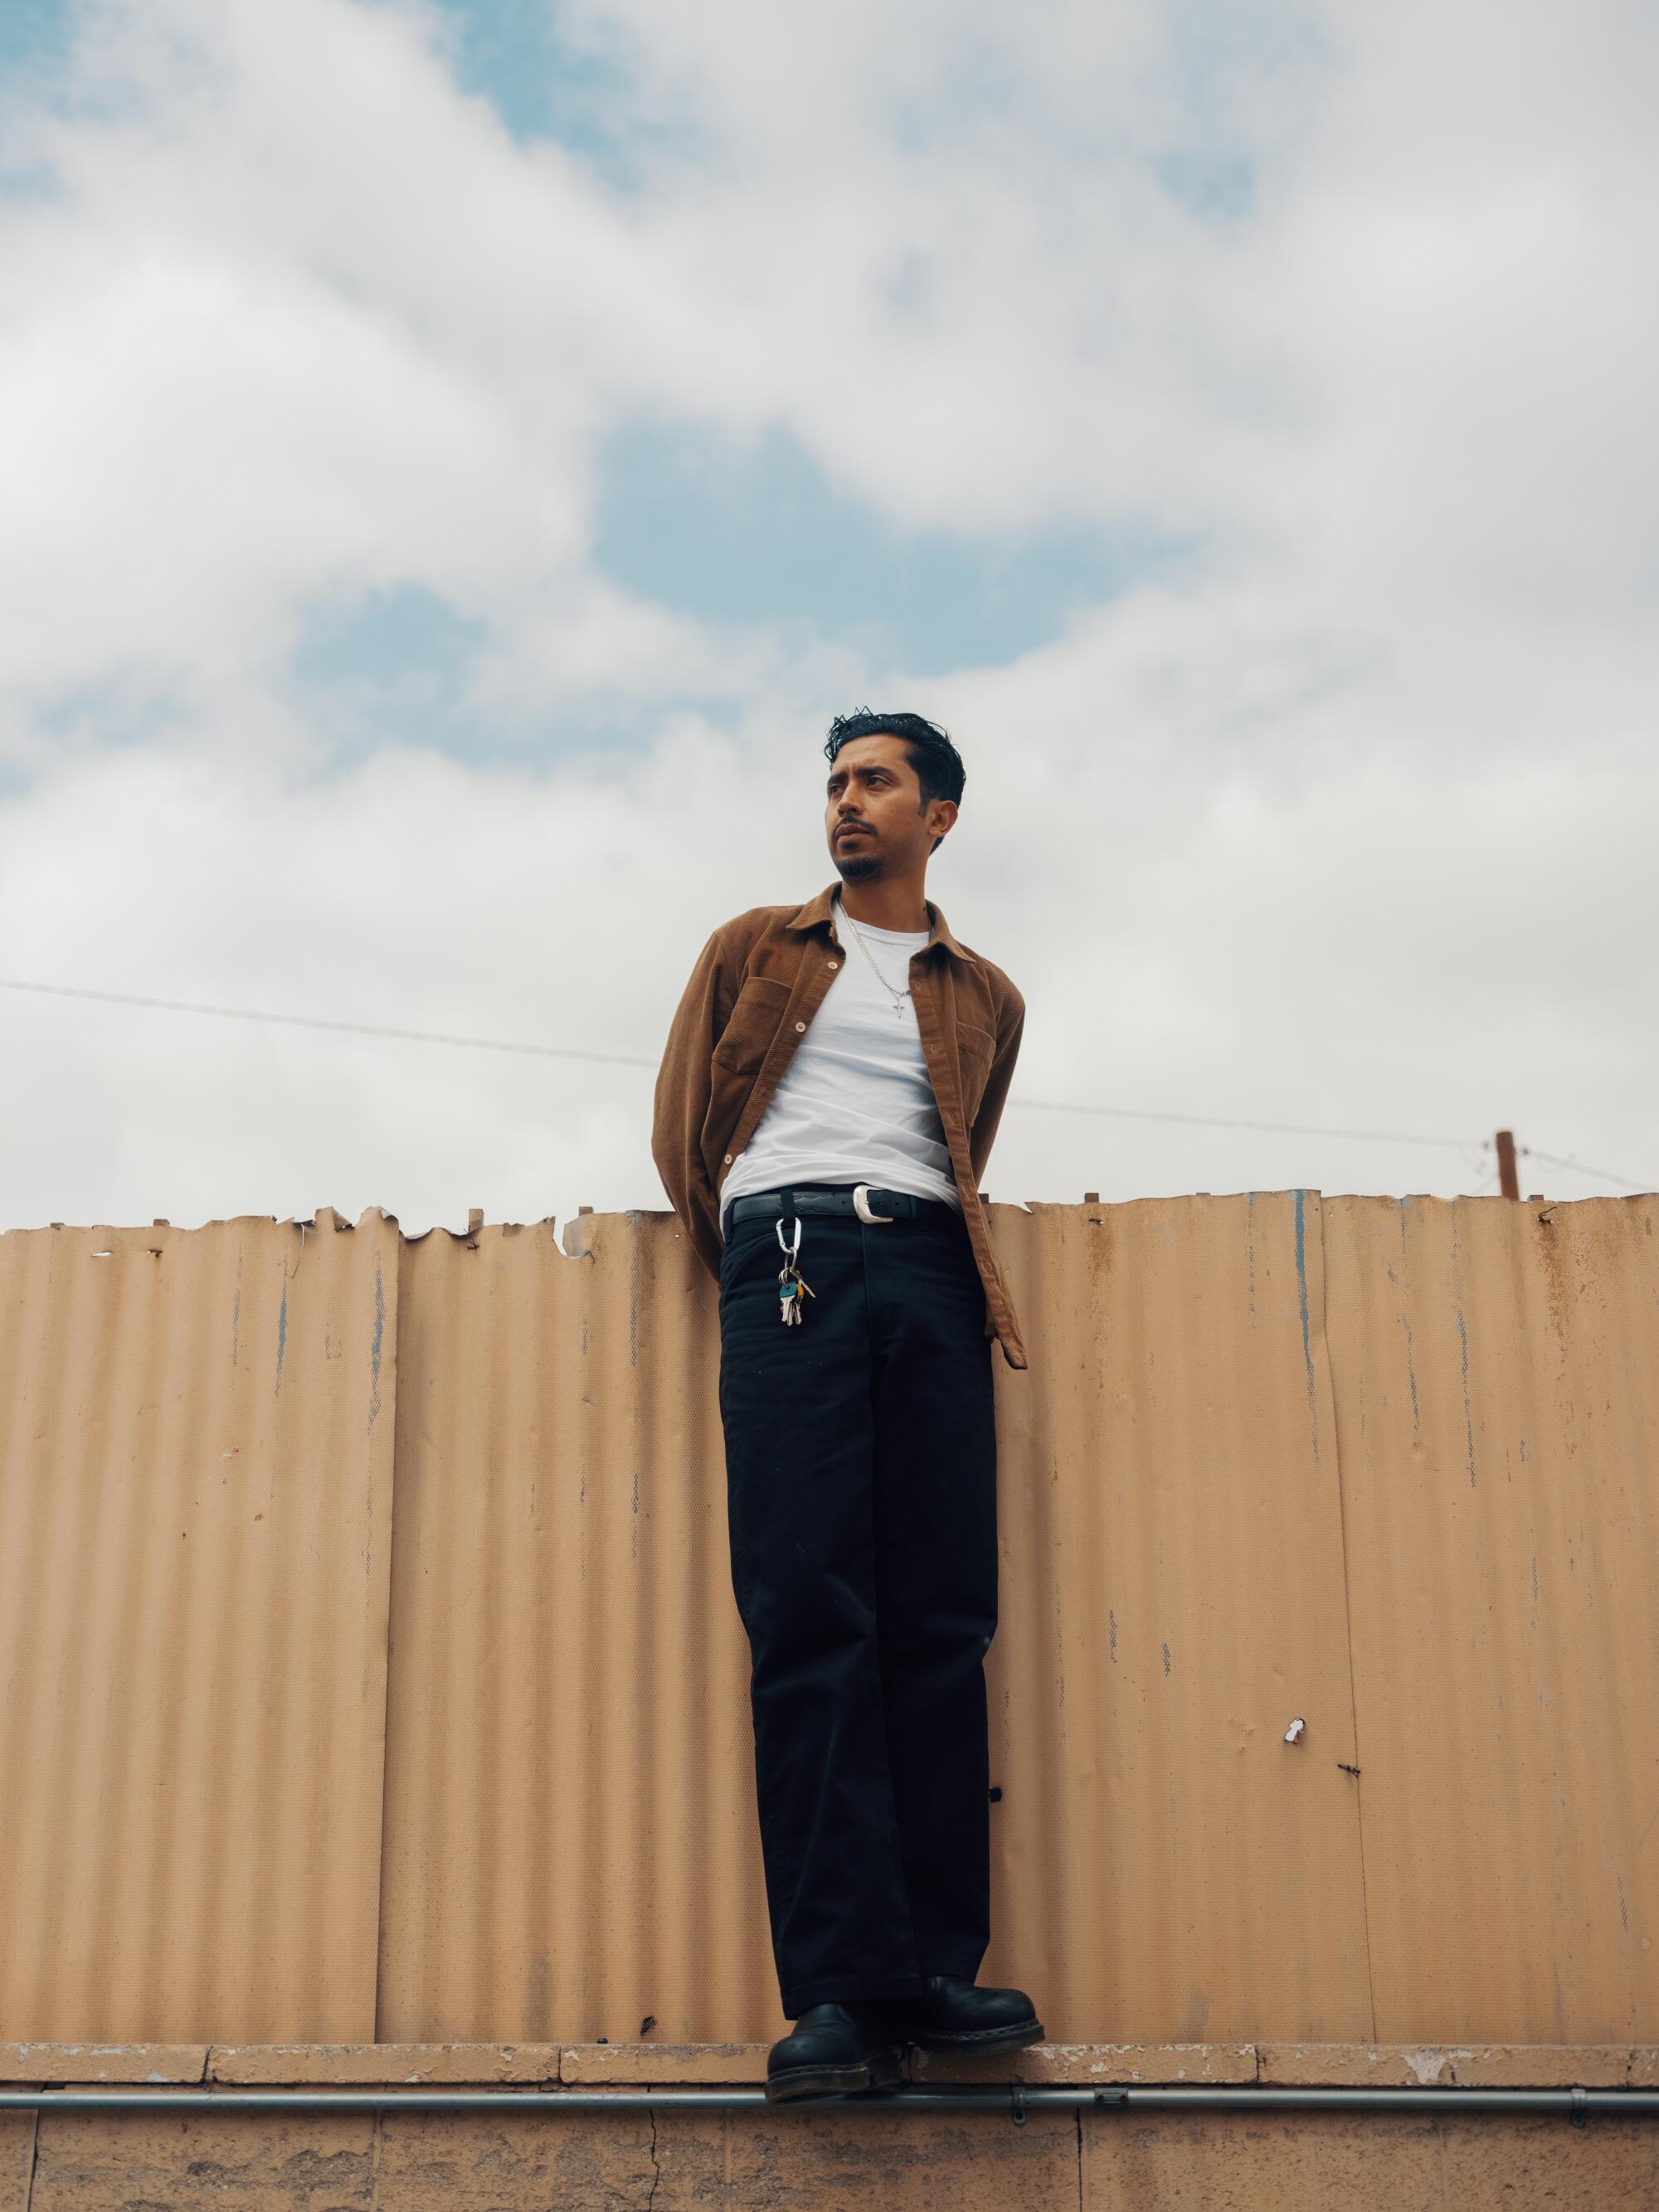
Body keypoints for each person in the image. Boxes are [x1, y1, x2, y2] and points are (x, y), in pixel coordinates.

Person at [652, 709, 1040, 2103]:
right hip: (793, 1266)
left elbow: (969, 1142)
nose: (846, 802)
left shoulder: (982, 992)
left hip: (935, 1272)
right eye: (835, 783)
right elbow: (687, 1133)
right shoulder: (753, 948)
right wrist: (762, 1255)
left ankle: (932, 1972)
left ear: (939, 816)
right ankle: (836, 1994)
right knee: (812, 1621)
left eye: (875, 782)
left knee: (941, 1622)